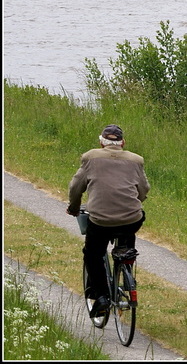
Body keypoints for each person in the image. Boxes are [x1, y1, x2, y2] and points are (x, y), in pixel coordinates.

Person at [66, 124, 149, 317]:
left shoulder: (90, 157)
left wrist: (74, 208)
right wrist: (134, 202)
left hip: (101, 221)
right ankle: (126, 262)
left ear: (102, 143)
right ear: (123, 143)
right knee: (131, 225)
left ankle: (101, 297)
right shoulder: (136, 160)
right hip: (131, 218)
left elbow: (75, 188)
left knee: (93, 254)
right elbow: (143, 189)